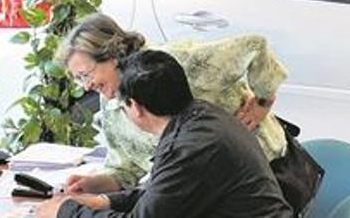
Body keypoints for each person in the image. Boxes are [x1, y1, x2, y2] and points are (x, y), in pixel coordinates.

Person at [51, 13, 319, 213]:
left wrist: (262, 102)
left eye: (86, 75)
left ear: (112, 55)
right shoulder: (121, 104)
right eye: (78, 80)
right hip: (209, 187)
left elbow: (254, 46)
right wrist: (98, 191)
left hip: (261, 180)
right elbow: (149, 180)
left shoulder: (170, 66)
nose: (86, 86)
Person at [35, 49, 293, 218]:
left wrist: (65, 211)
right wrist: (104, 201)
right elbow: (166, 194)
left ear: (134, 107)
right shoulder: (203, 116)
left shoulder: (189, 148)